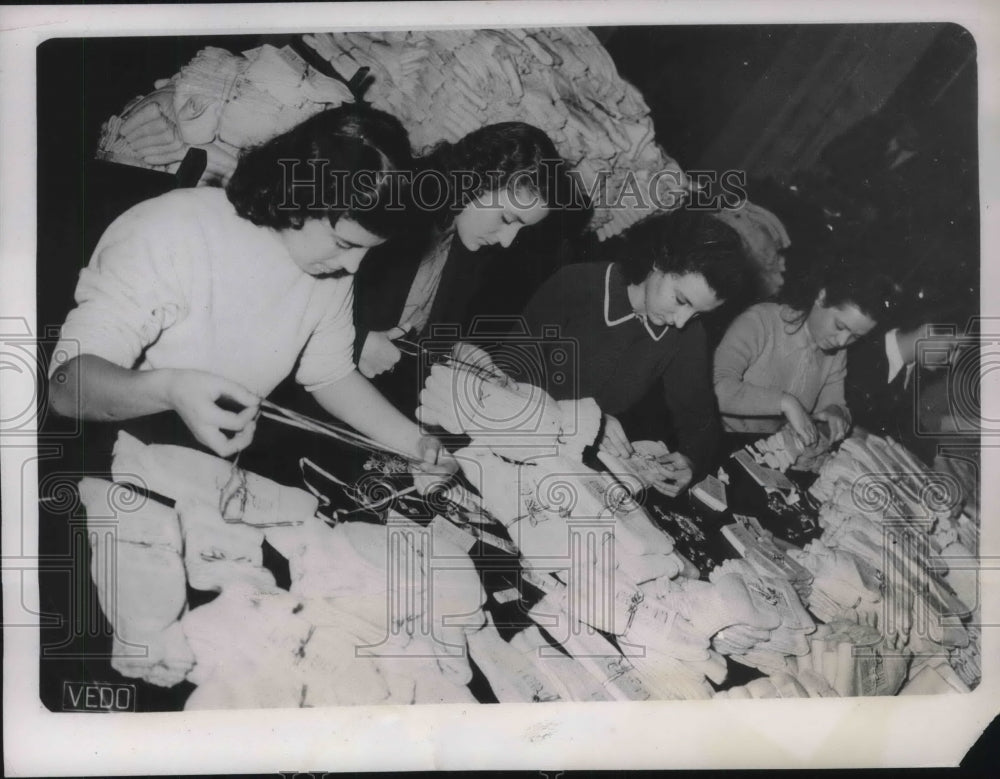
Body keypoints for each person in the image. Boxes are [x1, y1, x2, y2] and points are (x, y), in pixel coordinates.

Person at [49, 105, 453, 480]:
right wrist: (169, 388)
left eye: (367, 250)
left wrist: (414, 442)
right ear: (297, 199)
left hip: (201, 470)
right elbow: (66, 388)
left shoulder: (327, 267)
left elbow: (329, 374)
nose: (353, 267)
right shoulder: (173, 229)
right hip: (109, 462)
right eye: (345, 244)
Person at [517, 210, 752, 496]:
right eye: (680, 300)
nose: (681, 321)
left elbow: (699, 417)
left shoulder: (687, 331)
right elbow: (507, 381)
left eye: (697, 313)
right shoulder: (577, 286)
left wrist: (691, 459)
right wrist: (586, 420)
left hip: (570, 474)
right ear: (659, 261)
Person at [353, 122, 579, 381]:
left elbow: (427, 331)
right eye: (507, 219)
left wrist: (457, 352)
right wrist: (359, 342)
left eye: (520, 229)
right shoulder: (394, 197)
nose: (506, 241)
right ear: (478, 179)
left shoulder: (470, 247)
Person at [713, 255, 892, 446]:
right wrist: (784, 402)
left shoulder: (836, 356)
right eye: (840, 326)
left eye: (855, 337)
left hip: (761, 450)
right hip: (714, 437)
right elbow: (716, 388)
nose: (842, 342)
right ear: (821, 298)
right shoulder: (761, 321)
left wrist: (836, 413)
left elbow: (835, 404)